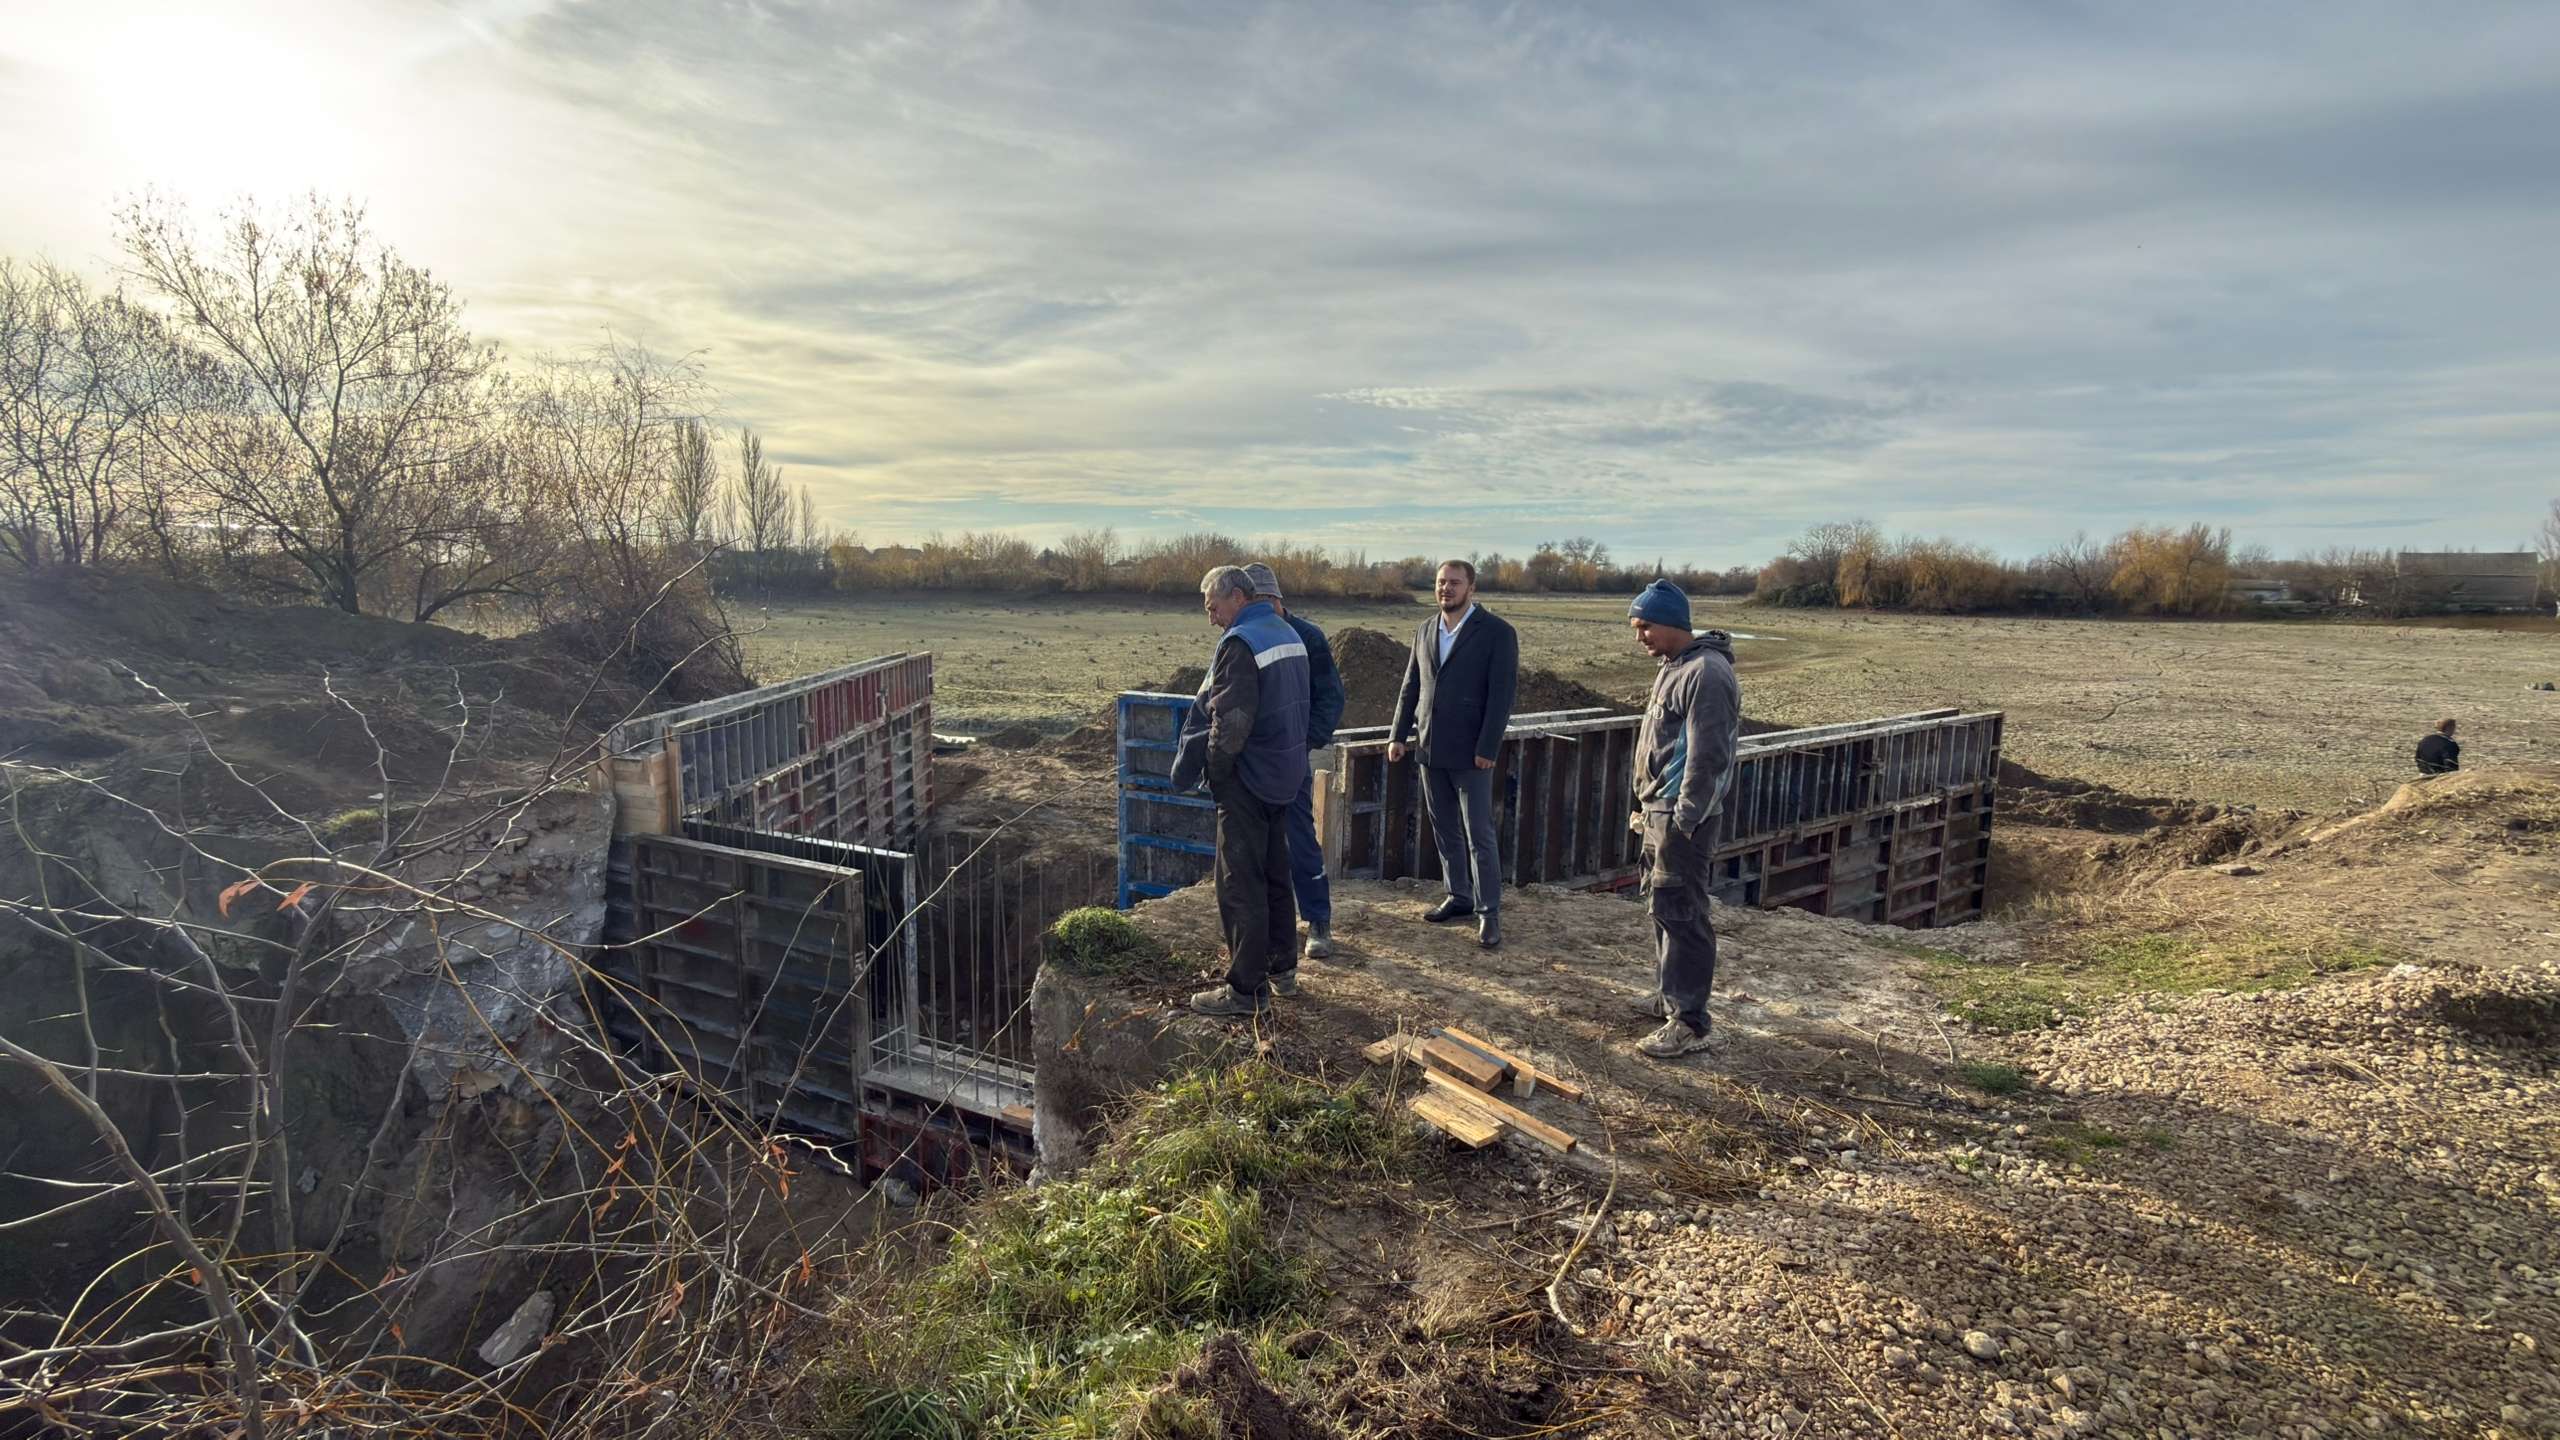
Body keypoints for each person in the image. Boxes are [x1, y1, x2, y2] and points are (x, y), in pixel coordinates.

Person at [1169, 565, 1312, 1016]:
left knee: (1238, 883)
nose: (1211, 618)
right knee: (1274, 874)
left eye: (1213, 608)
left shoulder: (1240, 643)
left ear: (1235, 596)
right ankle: (1281, 968)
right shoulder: (1286, 632)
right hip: (1283, 774)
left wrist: (1216, 774)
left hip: (1248, 780)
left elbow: (1228, 725)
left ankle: (1245, 990)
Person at [1620, 579, 1740, 1060]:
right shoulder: (1676, 665)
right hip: (1659, 811)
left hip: (1680, 817)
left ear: (1672, 623)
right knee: (1661, 905)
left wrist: (1685, 818)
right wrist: (1645, 805)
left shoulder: (1707, 672)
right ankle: (1670, 997)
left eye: (1645, 627)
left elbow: (1709, 754)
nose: (1639, 637)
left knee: (1684, 912)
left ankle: (1690, 1020)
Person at [1387, 559, 1519, 949]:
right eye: (1442, 582)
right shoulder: (1426, 629)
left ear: (1471, 588)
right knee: (1444, 828)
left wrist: (1487, 748)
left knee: (1480, 833)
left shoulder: (1496, 633)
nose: (1446, 588)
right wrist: (1399, 735)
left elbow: (1502, 696)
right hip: (1430, 748)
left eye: (1455, 583)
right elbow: (1411, 686)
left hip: (1472, 753)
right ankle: (1458, 895)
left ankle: (1488, 911)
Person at [1241, 563, 1347, 959]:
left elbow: (1330, 699)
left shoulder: (1308, 637)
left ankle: (1318, 920)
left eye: (1259, 603)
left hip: (1290, 757)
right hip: (1254, 760)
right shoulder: (1245, 635)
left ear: (1273, 599)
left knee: (1299, 833)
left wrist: (1300, 744)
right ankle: (1264, 923)